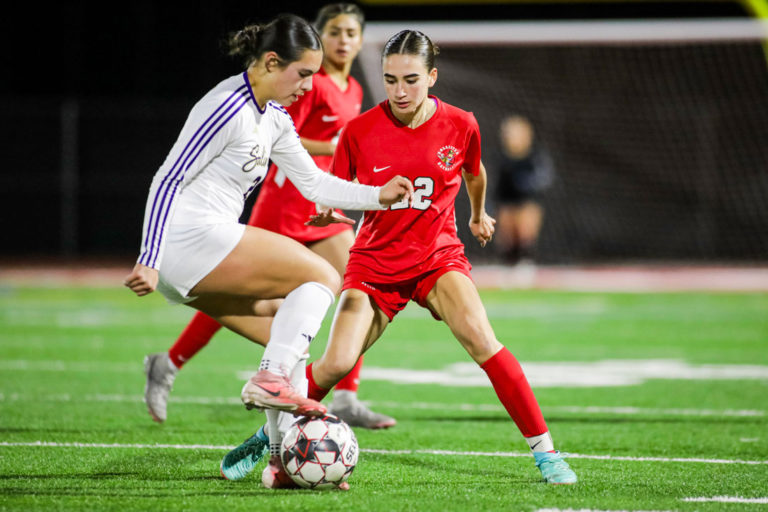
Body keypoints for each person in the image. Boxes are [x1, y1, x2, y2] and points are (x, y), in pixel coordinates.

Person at [223, 29, 577, 488]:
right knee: (336, 363)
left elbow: (474, 172)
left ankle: (547, 454)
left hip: (437, 257)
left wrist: (477, 215)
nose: (399, 90)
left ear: (432, 76)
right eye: (390, 80)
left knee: (483, 341)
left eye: (411, 79)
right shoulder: (360, 131)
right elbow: (337, 187)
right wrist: (328, 211)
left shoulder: (461, 124)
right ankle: (265, 435)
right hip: (374, 262)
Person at [124, 13, 412, 440]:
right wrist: (149, 257)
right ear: (272, 62)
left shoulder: (274, 117)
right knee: (323, 276)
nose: (309, 86)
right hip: (188, 240)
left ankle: (280, 457)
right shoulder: (226, 106)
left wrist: (378, 195)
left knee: (291, 342)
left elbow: (314, 182)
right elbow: (168, 178)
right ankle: (269, 378)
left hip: (196, 255)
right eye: (303, 74)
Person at [493, 115, 554, 266]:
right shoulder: (502, 158)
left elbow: (544, 178)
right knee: (506, 231)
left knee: (525, 225)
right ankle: (508, 260)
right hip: (506, 202)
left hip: (527, 201)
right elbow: (496, 186)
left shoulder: (534, 156)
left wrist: (526, 183)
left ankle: (526, 259)